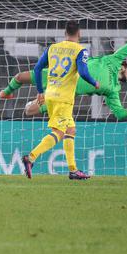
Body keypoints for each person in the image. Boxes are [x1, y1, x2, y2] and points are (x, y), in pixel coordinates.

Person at [0, 25, 127, 120]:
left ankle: (29, 100)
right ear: (124, 67)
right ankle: (6, 93)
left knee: (29, 111)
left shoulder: (113, 90)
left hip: (64, 93)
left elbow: (120, 114)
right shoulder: (114, 60)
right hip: (59, 73)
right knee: (20, 77)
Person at [21, 21, 99, 180]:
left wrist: (40, 92)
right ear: (79, 34)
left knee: (70, 130)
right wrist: (95, 82)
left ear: (65, 33)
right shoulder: (80, 50)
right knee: (58, 132)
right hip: (63, 99)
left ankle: (73, 170)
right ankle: (31, 157)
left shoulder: (52, 48)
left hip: (50, 95)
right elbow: (83, 73)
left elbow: (37, 69)